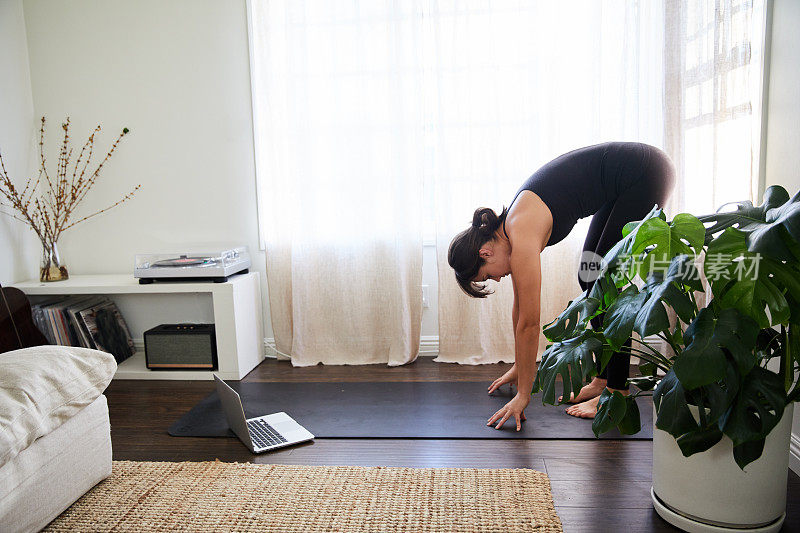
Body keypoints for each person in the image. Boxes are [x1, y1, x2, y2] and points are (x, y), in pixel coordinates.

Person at [447, 142, 675, 431]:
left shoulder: (521, 230)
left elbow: (530, 323)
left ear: (485, 253)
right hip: (628, 179)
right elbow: (519, 309)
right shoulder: (512, 230)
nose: (497, 279)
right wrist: (520, 367)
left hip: (645, 173)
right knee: (591, 278)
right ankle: (603, 381)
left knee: (603, 281)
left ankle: (617, 392)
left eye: (487, 276)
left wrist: (523, 396)